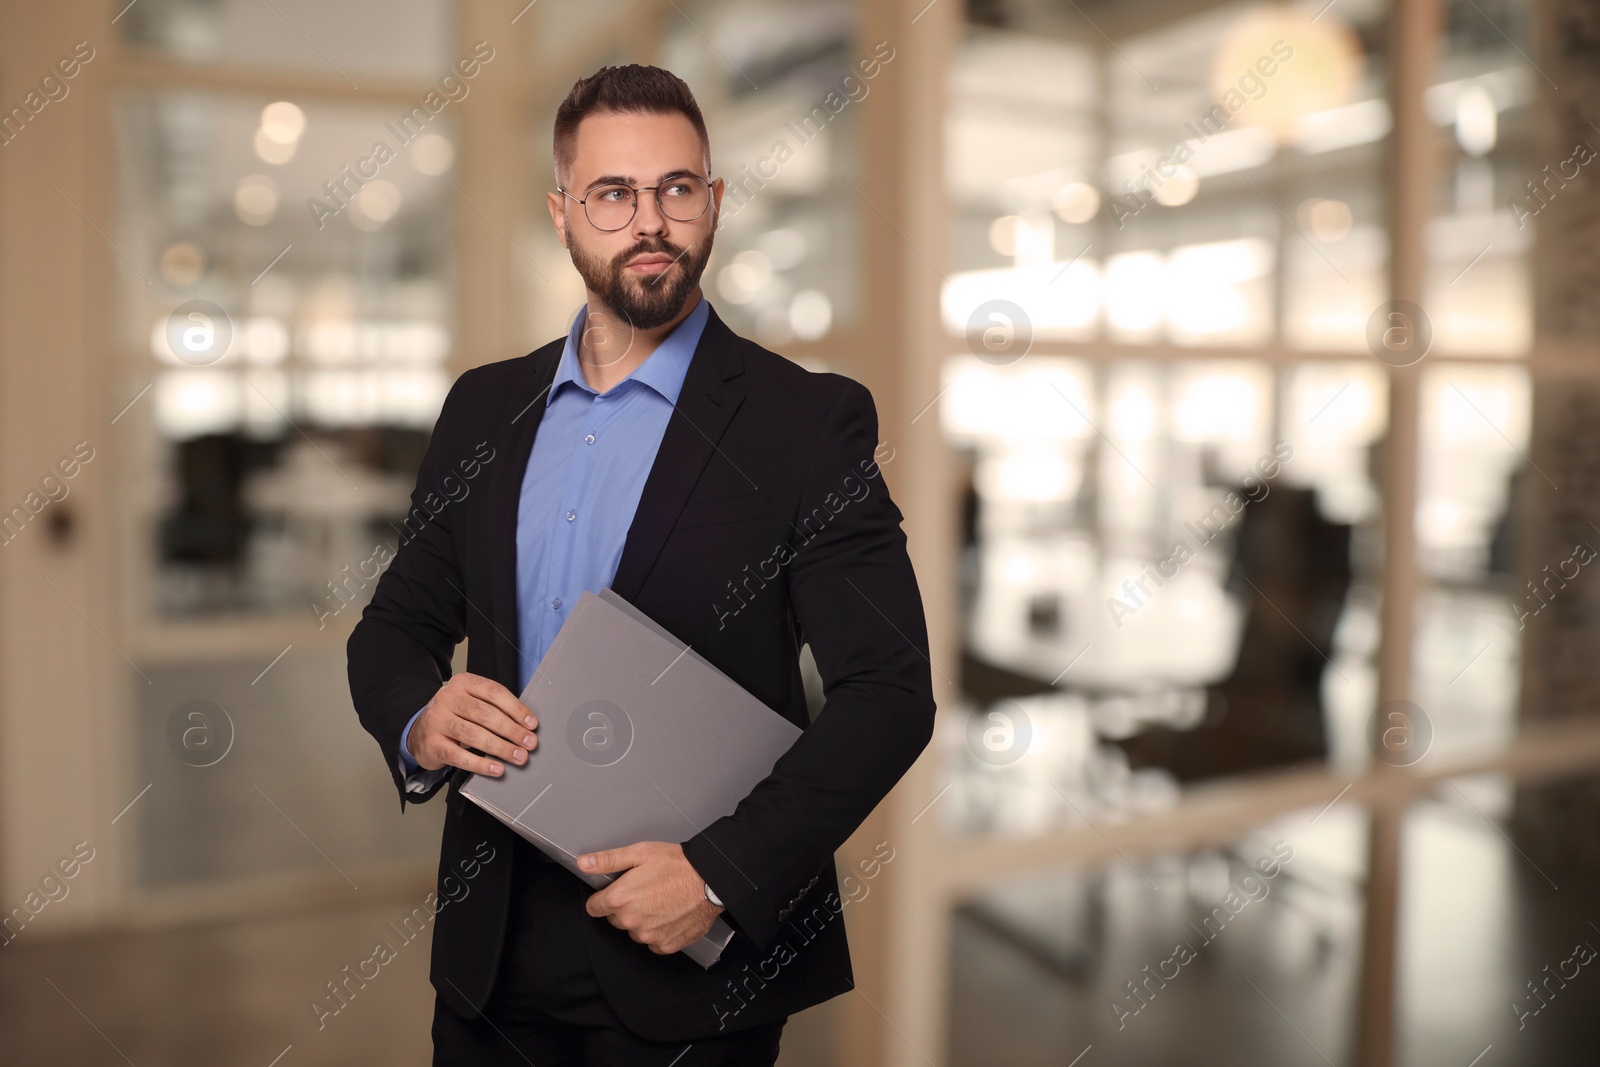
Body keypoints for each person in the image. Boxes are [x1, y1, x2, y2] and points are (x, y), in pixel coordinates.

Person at [346, 64, 936, 1066]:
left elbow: (890, 692)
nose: (649, 221)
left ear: (713, 201)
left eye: (677, 188)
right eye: (613, 194)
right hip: (489, 946)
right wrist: (418, 713)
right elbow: (396, 624)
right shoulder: (484, 410)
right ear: (563, 213)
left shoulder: (805, 425)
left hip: (686, 964)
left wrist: (718, 872)